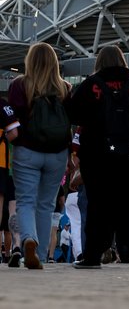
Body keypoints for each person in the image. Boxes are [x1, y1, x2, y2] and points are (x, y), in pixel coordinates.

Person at [66, 45, 129, 269]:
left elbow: (73, 113)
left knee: (98, 204)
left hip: (97, 155)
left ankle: (93, 256)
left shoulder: (91, 85)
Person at [6, 42, 73, 269]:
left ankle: (28, 240)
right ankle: (42, 255)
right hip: (57, 154)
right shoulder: (65, 88)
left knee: (26, 201)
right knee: (46, 205)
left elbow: (12, 117)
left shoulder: (19, 85)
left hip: (27, 150)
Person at [0, 96, 20, 265]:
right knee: (12, 212)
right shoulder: (5, 108)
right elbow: (14, 133)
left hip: (6, 167)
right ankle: (17, 247)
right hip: (11, 170)